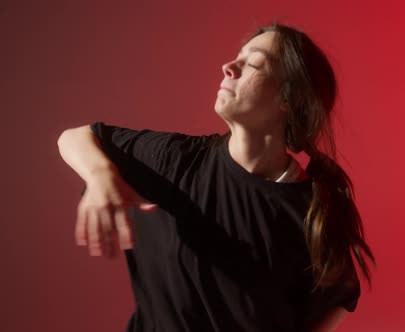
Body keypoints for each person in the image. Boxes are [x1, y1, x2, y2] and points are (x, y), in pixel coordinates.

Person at [57, 22, 375, 332]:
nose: (228, 66)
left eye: (254, 64)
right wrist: (101, 178)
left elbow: (341, 295)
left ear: (289, 100)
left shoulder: (310, 212)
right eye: (238, 56)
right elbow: (78, 136)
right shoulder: (177, 162)